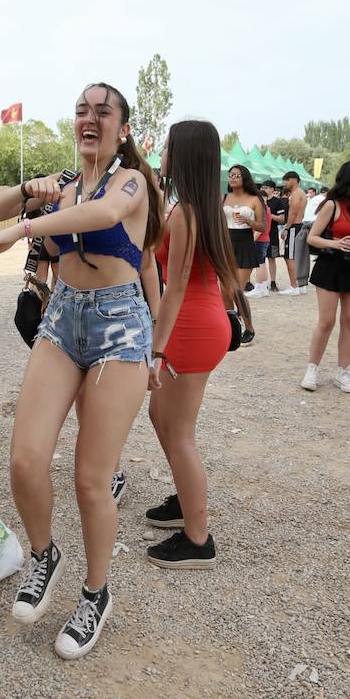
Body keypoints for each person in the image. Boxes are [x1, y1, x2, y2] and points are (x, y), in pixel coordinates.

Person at [0, 81, 160, 660]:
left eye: (104, 112)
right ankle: (44, 554)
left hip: (120, 327)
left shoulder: (131, 181)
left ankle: (95, 594)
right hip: (63, 319)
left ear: (122, 128)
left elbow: (103, 213)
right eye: (82, 110)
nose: (90, 118)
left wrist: (18, 231)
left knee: (90, 478)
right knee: (25, 459)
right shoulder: (62, 183)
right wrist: (31, 191)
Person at [141, 119, 241, 569]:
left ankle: (198, 539)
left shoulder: (186, 214)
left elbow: (176, 285)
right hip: (202, 323)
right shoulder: (200, 207)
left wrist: (157, 350)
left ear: (181, 155)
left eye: (166, 147)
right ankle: (186, 499)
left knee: (179, 432)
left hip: (190, 327)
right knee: (160, 415)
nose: (162, 153)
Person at [301, 159, 350, 394]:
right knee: (327, 320)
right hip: (331, 265)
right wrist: (335, 243)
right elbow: (312, 237)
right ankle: (312, 368)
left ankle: (343, 372)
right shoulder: (332, 204)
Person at [224, 165, 268, 299]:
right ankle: (229, 319)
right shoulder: (224, 197)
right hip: (225, 244)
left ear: (245, 178)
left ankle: (244, 319)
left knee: (237, 291)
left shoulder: (255, 199)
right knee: (224, 292)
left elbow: (263, 227)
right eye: (231, 175)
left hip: (245, 244)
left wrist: (248, 221)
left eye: (237, 175)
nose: (233, 178)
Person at [279, 171, 307, 295]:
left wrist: (286, 228)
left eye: (287, 180)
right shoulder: (301, 193)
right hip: (298, 225)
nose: (285, 183)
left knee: (290, 257)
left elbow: (293, 213)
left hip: (294, 226)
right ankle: (300, 285)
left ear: (294, 180)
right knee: (296, 256)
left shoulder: (296, 194)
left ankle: (294, 286)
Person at [249, 181, 277, 297]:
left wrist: (252, 240)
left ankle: (259, 287)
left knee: (259, 264)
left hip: (260, 239)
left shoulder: (262, 210)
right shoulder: (267, 209)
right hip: (265, 239)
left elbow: (259, 228)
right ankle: (262, 287)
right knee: (261, 263)